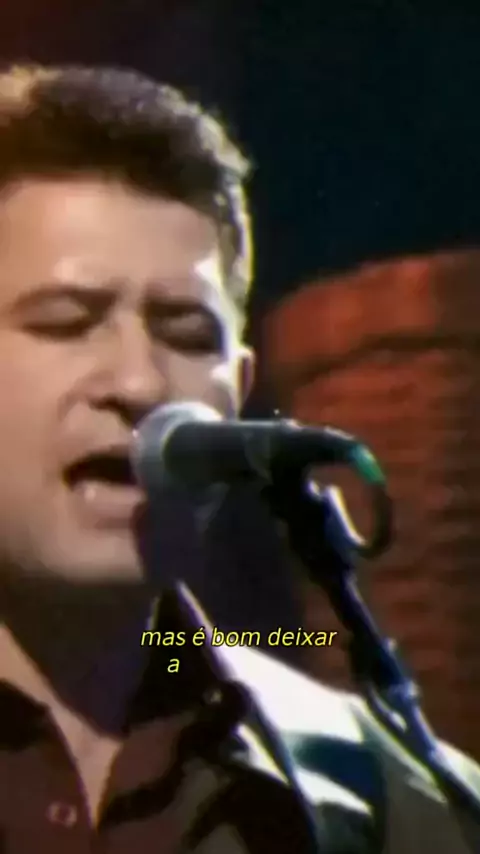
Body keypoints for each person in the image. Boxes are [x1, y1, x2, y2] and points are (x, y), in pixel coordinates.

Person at [0, 63, 478, 854]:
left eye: (188, 335)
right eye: (66, 322)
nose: (141, 382)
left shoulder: (371, 788)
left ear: (241, 391)